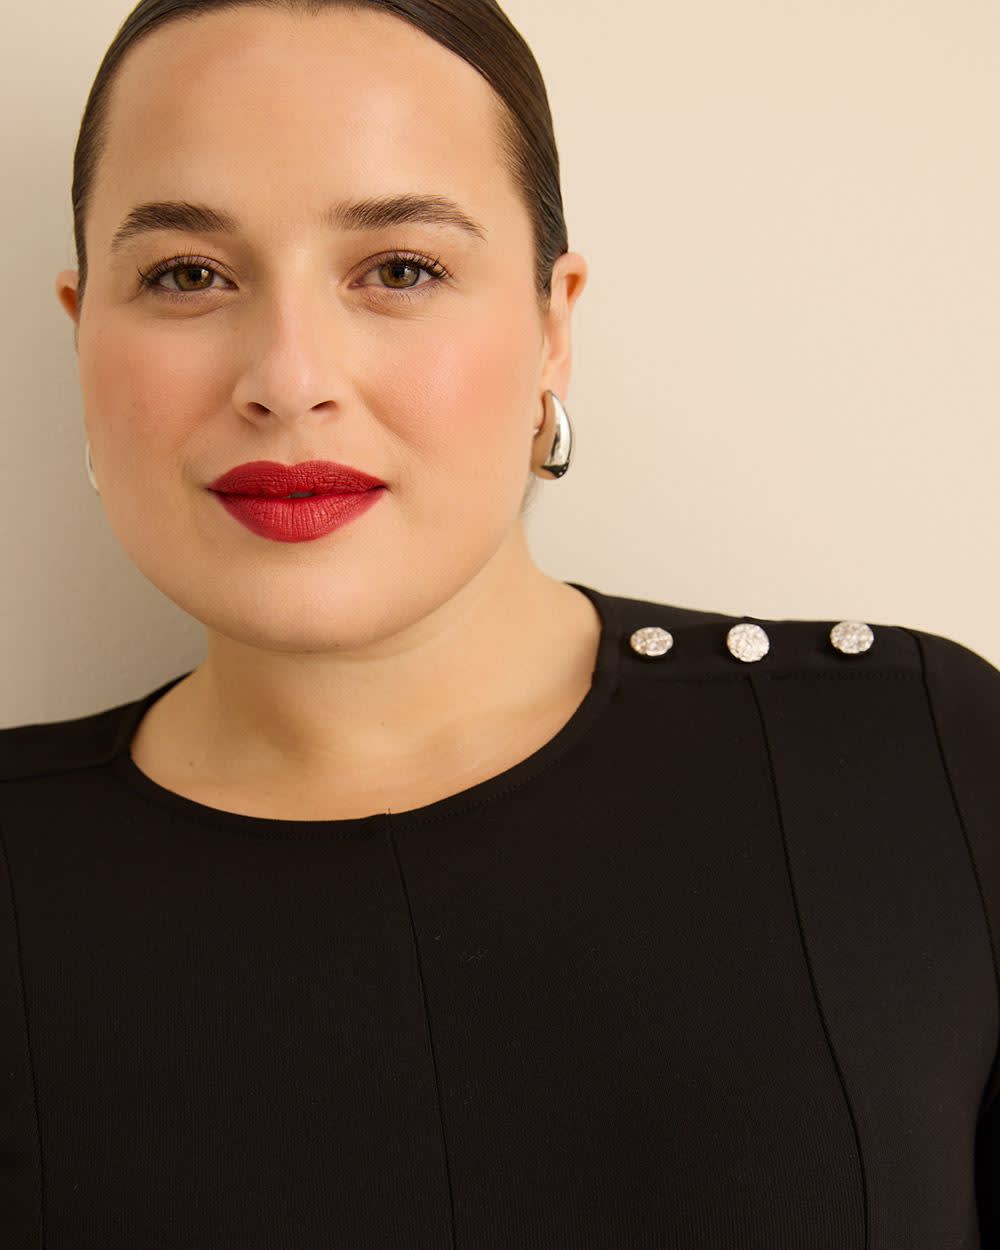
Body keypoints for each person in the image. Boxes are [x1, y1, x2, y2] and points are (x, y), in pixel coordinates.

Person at [2, 1, 998, 1246]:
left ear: (552, 326)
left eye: (400, 269)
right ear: (82, 334)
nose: (288, 377)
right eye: (187, 275)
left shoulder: (915, 759)